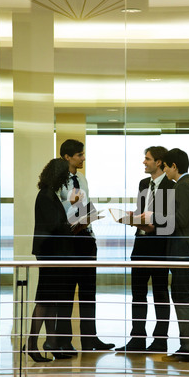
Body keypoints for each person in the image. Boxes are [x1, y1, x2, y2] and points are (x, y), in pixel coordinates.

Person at [116, 146, 175, 353]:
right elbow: (143, 213)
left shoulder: (171, 185)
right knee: (137, 293)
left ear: (159, 162)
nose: (144, 162)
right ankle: (137, 339)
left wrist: (149, 223)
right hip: (140, 244)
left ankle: (160, 341)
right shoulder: (143, 183)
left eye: (147, 159)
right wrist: (133, 217)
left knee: (160, 293)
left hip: (159, 246)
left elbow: (168, 220)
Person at [58, 139, 115, 351]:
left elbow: (85, 202)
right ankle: (65, 342)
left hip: (86, 238)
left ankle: (90, 338)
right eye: (79, 155)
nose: (83, 158)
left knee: (88, 292)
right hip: (68, 241)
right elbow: (57, 208)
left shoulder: (81, 177)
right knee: (66, 293)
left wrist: (89, 215)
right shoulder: (59, 179)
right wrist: (71, 206)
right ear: (67, 157)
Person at [28, 158, 77, 362]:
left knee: (51, 299)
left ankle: (52, 342)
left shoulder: (50, 195)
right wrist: (74, 224)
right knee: (44, 300)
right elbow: (54, 225)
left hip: (53, 252)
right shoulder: (47, 195)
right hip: (50, 253)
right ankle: (32, 344)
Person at [161, 148, 189, 363]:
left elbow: (181, 219)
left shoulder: (184, 187)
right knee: (182, 298)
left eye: (166, 166)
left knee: (184, 299)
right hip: (185, 251)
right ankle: (186, 348)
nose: (165, 170)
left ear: (174, 166)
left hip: (182, 252)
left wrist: (155, 217)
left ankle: (188, 349)